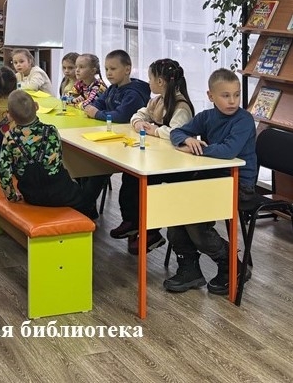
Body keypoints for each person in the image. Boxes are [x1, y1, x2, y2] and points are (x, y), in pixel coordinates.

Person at [165, 68, 256, 294]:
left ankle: (232, 265)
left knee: (194, 219)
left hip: (238, 184)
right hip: (213, 177)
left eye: (236, 95)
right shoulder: (207, 116)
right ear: (210, 96)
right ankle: (189, 269)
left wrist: (197, 150)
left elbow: (228, 151)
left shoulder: (244, 120)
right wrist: (186, 139)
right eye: (225, 95)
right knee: (175, 210)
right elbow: (177, 132)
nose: (232, 101)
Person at [111, 59, 196, 254]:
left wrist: (155, 130)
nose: (148, 82)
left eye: (150, 78)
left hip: (176, 165)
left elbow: (177, 133)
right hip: (159, 158)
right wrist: (139, 123)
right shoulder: (157, 101)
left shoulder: (181, 107)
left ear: (160, 82)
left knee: (148, 184)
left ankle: (152, 231)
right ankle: (132, 222)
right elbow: (138, 114)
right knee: (130, 176)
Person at [0, 91, 95, 218]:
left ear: (10, 116)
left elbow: (3, 172)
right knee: (87, 202)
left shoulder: (9, 138)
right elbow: (58, 159)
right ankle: (89, 223)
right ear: (36, 106)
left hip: (31, 194)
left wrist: (12, 196)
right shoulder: (51, 130)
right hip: (60, 191)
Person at [81, 50, 150, 218]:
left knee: (97, 170)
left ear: (127, 69)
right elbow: (98, 103)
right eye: (106, 69)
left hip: (127, 147)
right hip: (109, 140)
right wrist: (95, 110)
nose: (108, 73)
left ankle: (83, 207)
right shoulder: (112, 88)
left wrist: (97, 114)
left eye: (113, 69)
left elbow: (121, 116)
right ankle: (87, 208)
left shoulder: (133, 94)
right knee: (83, 165)